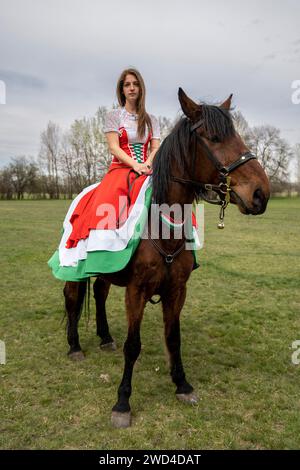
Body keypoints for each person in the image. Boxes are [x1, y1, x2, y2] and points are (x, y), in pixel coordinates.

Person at [48, 68, 161, 281]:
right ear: (122, 89)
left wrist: (147, 163)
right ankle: (101, 253)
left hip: (148, 168)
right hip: (121, 168)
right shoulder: (113, 116)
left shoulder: (152, 119)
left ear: (141, 88)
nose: (131, 88)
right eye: (127, 84)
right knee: (109, 202)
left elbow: (155, 147)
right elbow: (114, 148)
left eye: (135, 84)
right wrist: (135, 165)